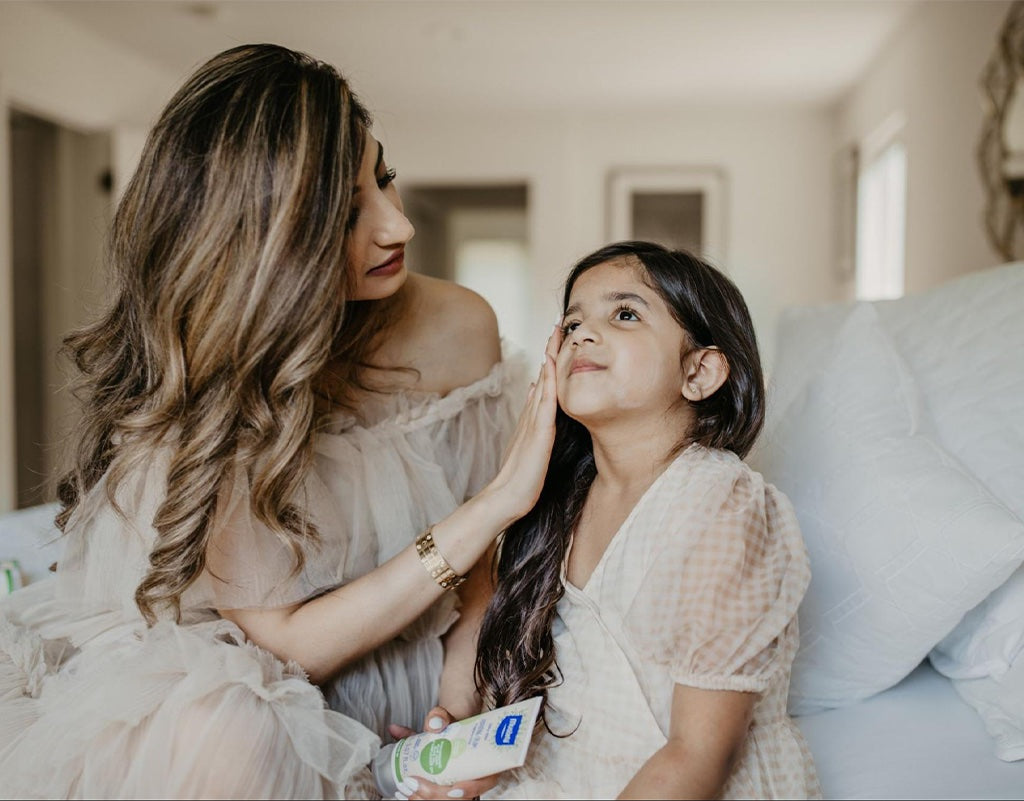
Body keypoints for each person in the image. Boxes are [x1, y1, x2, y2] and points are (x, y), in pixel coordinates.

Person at [0, 43, 561, 799]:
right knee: (229, 730)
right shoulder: (215, 386)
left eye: (384, 177)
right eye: (346, 213)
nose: (398, 227)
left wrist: (463, 692)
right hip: (257, 685)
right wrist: (492, 504)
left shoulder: (457, 327)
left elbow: (484, 570)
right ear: (263, 246)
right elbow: (292, 646)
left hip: (416, 684)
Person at [466, 241, 821, 800]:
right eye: (573, 321)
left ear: (699, 371)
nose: (581, 333)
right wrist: (465, 752)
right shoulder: (556, 503)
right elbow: (534, 678)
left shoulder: (724, 507)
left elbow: (700, 756)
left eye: (625, 314)